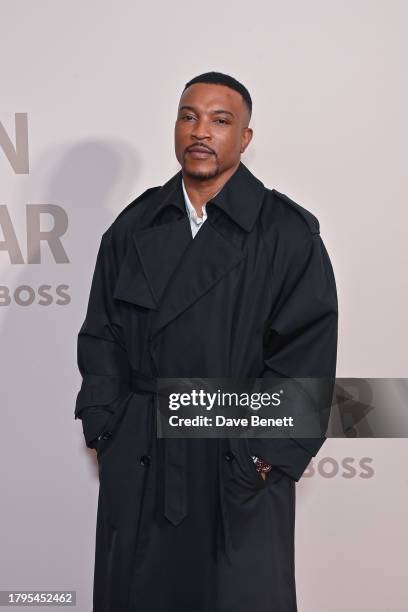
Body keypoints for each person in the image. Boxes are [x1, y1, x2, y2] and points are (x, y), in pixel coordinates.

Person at [75, 71, 338, 612]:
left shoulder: (285, 233)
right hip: (144, 454)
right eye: (189, 116)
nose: (201, 131)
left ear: (244, 137)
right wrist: (108, 427)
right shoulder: (133, 225)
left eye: (221, 121)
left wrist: (260, 457)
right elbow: (101, 333)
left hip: (232, 460)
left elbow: (305, 354)